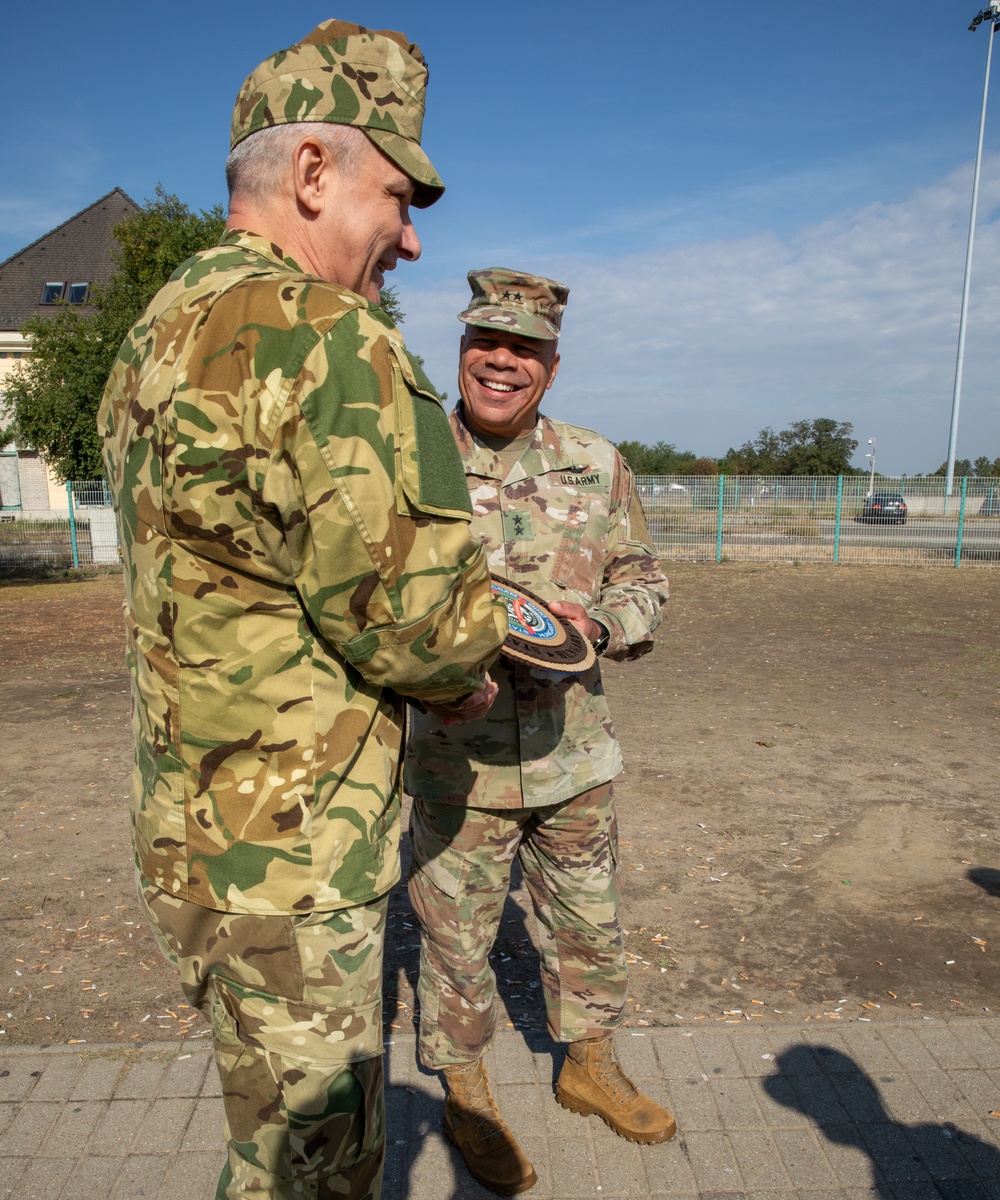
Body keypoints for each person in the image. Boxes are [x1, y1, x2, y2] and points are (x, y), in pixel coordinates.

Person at [97, 21, 506, 1200]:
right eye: (398, 192)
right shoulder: (327, 337)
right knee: (311, 1172)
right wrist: (472, 671)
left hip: (189, 838)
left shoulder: (153, 332)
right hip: (298, 854)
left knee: (262, 1135)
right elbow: (420, 624)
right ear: (315, 172)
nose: (413, 237)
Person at [406, 268, 675, 1195]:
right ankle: (468, 1093)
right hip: (454, 760)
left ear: (552, 368)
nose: (502, 361)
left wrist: (600, 628)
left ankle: (587, 1065)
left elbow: (643, 576)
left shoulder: (596, 464)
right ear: (463, 350)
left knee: (588, 924)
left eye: (525, 349)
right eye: (488, 341)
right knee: (455, 939)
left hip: (574, 753)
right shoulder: (411, 462)